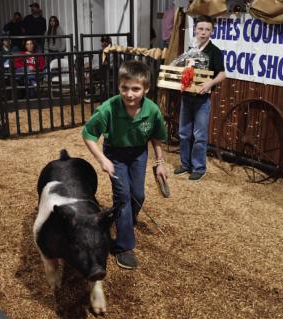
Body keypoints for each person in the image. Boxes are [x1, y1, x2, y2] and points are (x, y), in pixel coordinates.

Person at [82, 60, 168, 270]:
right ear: (119, 86)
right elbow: (88, 134)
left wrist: (159, 163)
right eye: (124, 88)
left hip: (139, 153)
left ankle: (127, 217)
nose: (130, 94)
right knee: (123, 196)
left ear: (146, 89)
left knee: (138, 195)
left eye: (136, 89)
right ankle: (124, 246)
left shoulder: (152, 110)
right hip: (115, 155)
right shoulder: (108, 108)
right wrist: (103, 160)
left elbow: (157, 137)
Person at [173, 15, 226, 181]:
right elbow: (181, 68)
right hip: (186, 97)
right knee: (183, 133)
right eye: (200, 29)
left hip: (202, 100)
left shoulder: (215, 52)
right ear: (195, 29)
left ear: (212, 31)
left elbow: (223, 74)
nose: (203, 32)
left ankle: (199, 168)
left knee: (200, 136)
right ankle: (185, 164)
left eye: (207, 29)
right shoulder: (190, 50)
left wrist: (210, 83)